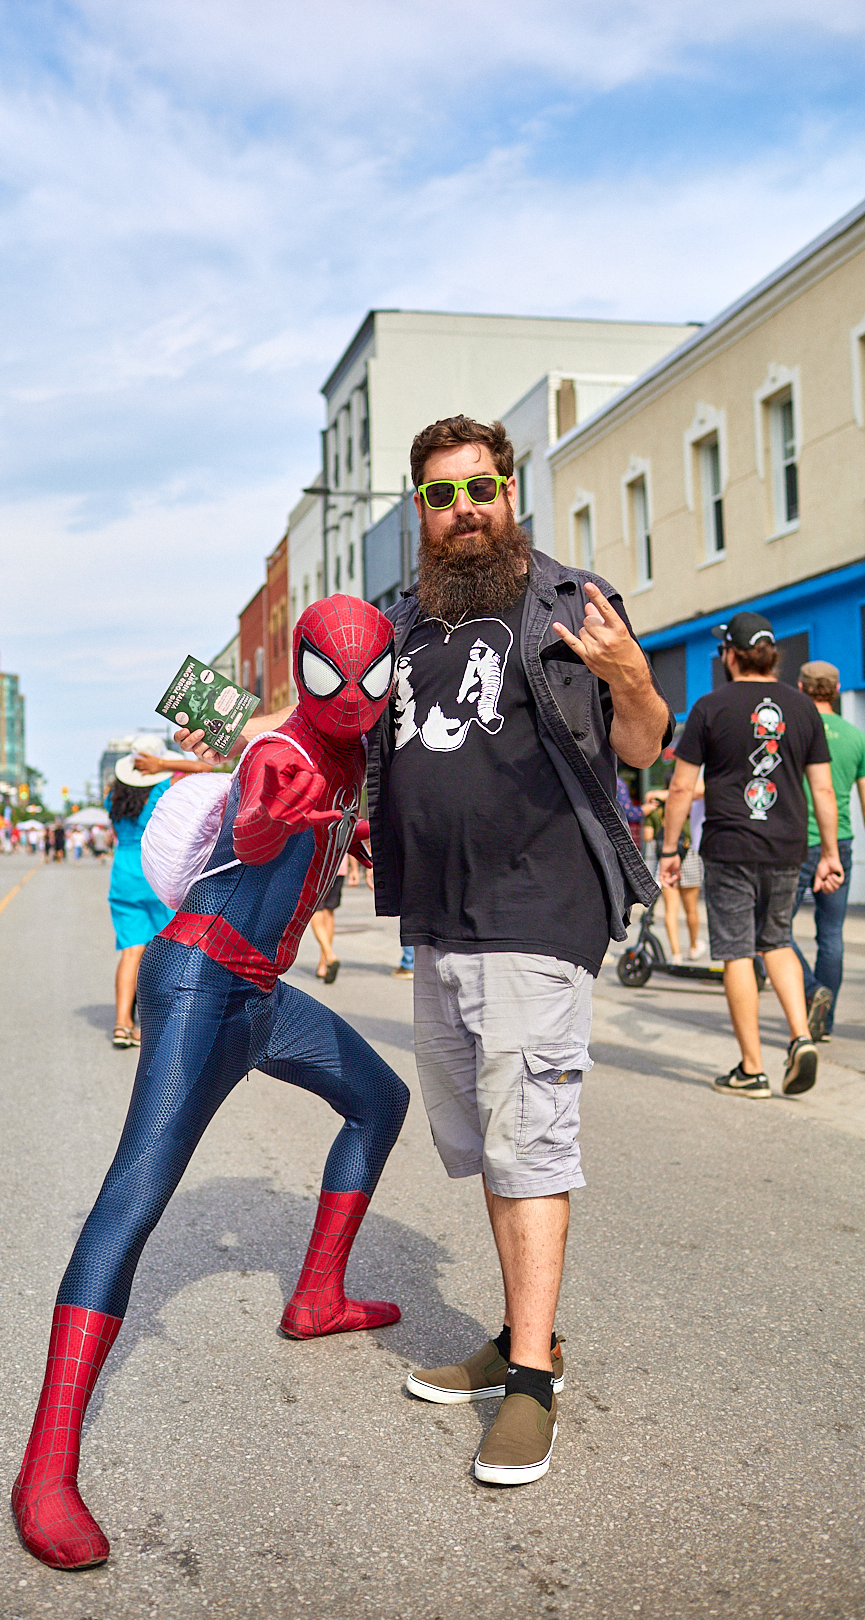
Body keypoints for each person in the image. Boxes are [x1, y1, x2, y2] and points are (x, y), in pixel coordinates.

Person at [178, 415, 671, 1490]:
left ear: (510, 492)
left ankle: (531, 1382)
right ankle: (523, 1338)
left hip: (539, 911)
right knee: (490, 1140)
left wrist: (632, 678)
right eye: (443, 497)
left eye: (480, 488)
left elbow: (640, 744)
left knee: (529, 1139)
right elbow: (321, 709)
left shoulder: (572, 602)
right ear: (420, 512)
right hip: (436, 921)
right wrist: (219, 737)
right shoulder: (400, 622)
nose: (465, 510)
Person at [12, 597, 409, 1570]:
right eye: (336, 676)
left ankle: (316, 1297)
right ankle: (44, 1470)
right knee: (134, 1197)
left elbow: (302, 821)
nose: (354, 696)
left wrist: (343, 836)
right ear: (307, 668)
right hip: (198, 986)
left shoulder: (351, 759)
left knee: (380, 1101)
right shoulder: (284, 752)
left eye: (371, 677)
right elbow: (261, 800)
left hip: (260, 994)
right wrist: (266, 822)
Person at [660, 613, 841, 1099]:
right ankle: (801, 1038)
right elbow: (823, 789)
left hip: (730, 846)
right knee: (776, 941)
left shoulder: (709, 706)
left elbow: (680, 788)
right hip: (787, 845)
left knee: (738, 951)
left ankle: (752, 1069)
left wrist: (670, 849)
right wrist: (829, 853)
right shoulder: (803, 708)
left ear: (731, 655)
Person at [104, 738, 204, 1049]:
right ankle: (153, 1024)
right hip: (158, 870)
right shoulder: (165, 790)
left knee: (131, 951)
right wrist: (164, 765)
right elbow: (205, 768)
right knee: (166, 951)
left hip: (124, 874)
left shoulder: (113, 797)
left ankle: (122, 1023)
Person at [791, 660, 865, 1040]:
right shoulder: (856, 736)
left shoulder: (793, 730)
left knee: (771, 930)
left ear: (801, 688)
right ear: (836, 691)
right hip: (842, 843)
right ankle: (825, 1022)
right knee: (832, 934)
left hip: (796, 843)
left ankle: (810, 989)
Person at [642, 783, 706, 962]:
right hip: (689, 857)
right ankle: (693, 947)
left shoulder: (655, 811)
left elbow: (647, 837)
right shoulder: (688, 806)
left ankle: (676, 953)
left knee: (670, 910)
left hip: (666, 858)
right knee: (691, 909)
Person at [309, 869, 344, 982]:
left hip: (315, 869)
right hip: (338, 867)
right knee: (329, 912)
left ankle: (330, 956)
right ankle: (323, 964)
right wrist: (354, 870)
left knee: (314, 910)